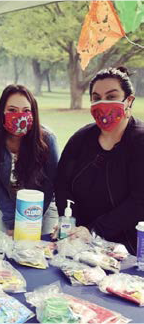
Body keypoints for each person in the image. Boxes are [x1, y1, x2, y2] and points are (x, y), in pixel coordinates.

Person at [55, 67, 144, 254]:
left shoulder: (140, 142)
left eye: (111, 97)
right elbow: (62, 184)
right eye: (96, 98)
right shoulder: (80, 139)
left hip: (129, 248)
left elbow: (139, 201)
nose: (103, 103)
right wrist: (70, 224)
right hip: (80, 243)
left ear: (129, 100)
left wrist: (94, 230)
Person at [0, 84, 59, 235]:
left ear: (33, 113)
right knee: (10, 252)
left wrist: (31, 220)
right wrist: (10, 220)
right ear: (2, 110)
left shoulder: (47, 139)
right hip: (8, 204)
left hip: (43, 206)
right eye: (12, 110)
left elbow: (52, 183)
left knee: (41, 252)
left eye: (26, 111)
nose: (19, 116)